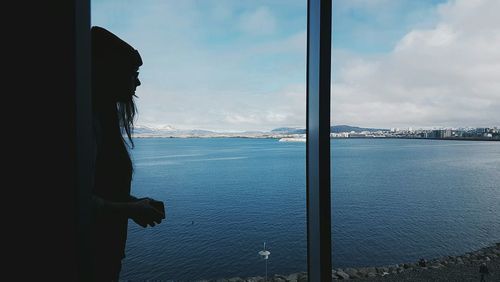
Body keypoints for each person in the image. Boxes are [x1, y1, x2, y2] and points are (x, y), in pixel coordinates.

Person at [90, 26, 166, 281]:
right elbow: (72, 203)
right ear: (112, 74)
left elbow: (97, 191)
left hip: (103, 254)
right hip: (90, 257)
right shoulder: (88, 126)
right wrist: (130, 209)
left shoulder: (99, 120)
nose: (138, 82)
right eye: (133, 74)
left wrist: (133, 202)